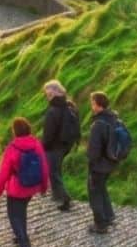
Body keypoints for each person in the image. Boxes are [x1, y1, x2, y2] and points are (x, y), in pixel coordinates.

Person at [0, 116, 50, 247]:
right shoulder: (36, 144)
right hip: (31, 187)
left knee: (14, 216)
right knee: (22, 212)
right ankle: (21, 236)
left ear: (15, 131)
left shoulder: (12, 148)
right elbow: (44, 166)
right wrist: (44, 186)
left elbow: (4, 172)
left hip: (16, 189)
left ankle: (25, 243)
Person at [85, 91, 125, 234]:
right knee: (102, 188)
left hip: (99, 165)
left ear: (98, 105)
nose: (91, 106)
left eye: (92, 103)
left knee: (94, 192)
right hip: (112, 162)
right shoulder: (115, 118)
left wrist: (90, 161)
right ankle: (109, 216)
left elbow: (93, 149)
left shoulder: (98, 124)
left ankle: (100, 225)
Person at [39, 80, 81, 211]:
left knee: (54, 173)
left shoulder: (53, 110)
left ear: (56, 92)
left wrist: (43, 146)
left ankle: (65, 198)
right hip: (66, 145)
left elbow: (49, 133)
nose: (47, 94)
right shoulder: (69, 105)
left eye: (49, 92)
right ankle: (57, 195)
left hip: (54, 147)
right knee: (56, 170)